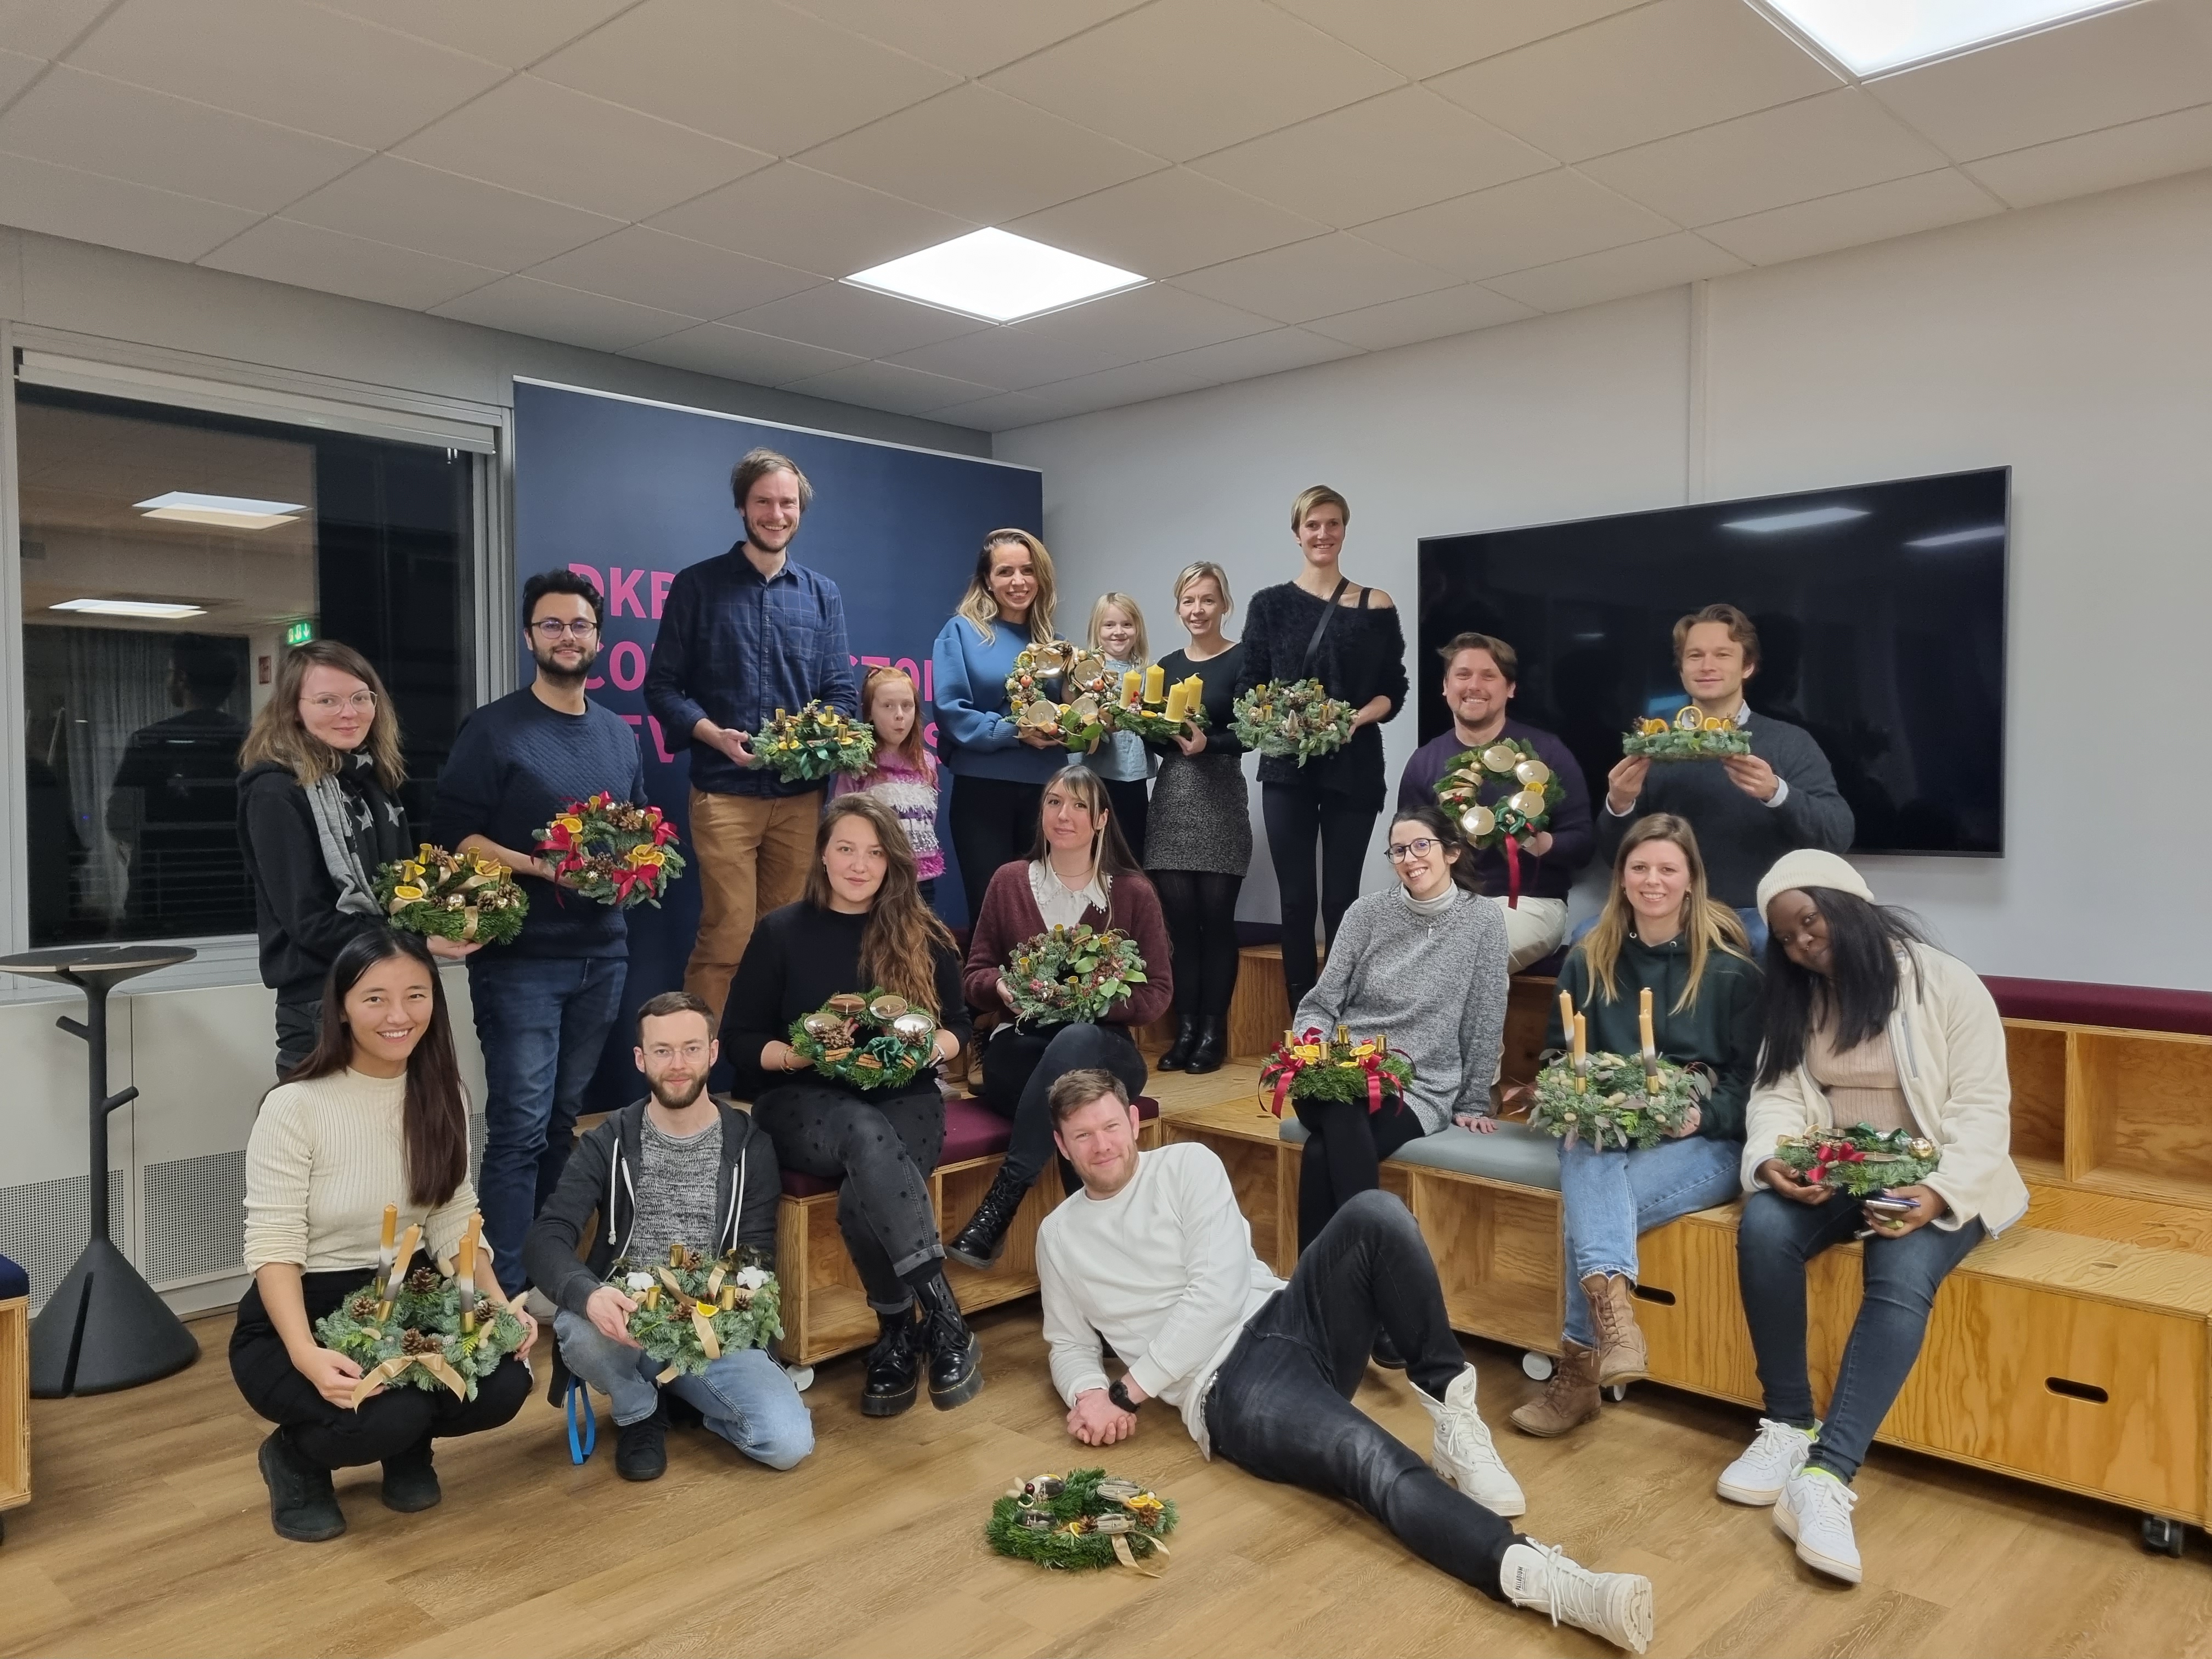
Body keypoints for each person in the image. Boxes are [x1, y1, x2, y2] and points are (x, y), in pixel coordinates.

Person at [1036, 1070, 1656, 1655]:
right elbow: (1068, 1344)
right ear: (1063, 1146)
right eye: (1084, 1135)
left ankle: (1453, 1414)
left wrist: (1126, 1393)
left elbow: (1216, 1292)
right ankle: (1551, 1582)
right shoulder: (1058, 1237)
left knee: (1375, 1213)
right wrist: (1089, 1391)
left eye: (1111, 1126)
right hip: (1231, 1388)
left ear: (1134, 1123)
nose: (1103, 1144)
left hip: (1291, 1314)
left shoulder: (1186, 1166)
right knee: (1372, 1462)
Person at [1717, 849, 2024, 1586]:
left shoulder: (1946, 985)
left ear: (1848, 905)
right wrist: (1772, 1161)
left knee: (1899, 1267)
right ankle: (1789, 1424)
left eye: (1810, 924)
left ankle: (1825, 1478)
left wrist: (1940, 1193)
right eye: (1786, 938)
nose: (1800, 946)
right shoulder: (1798, 997)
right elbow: (1777, 1096)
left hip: (1938, 1176)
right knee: (1762, 1226)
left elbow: (1983, 1111)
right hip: (1839, 1172)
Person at [233, 927, 535, 1543]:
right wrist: (304, 1354)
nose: (399, 1016)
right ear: (341, 1006)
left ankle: (408, 1444)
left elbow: (454, 1216)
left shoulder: (442, 1092)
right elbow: (273, 1243)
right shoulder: (295, 1106)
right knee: (385, 1410)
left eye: (416, 995)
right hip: (305, 1307)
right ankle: (295, 1459)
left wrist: (498, 1308)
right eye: (375, 998)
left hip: (407, 1295)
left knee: (506, 1383)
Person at [718, 795, 979, 1417]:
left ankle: (895, 1335)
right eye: (845, 849)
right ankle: (945, 1316)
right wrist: (799, 1055)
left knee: (867, 1191)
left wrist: (925, 1052)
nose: (859, 865)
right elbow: (739, 1039)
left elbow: (960, 1026)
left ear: (893, 862)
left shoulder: (923, 933)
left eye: (874, 852)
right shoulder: (781, 930)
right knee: (863, 1133)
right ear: (822, 856)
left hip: (906, 1095)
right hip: (799, 1100)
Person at [430, 568, 647, 1298]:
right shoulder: (493, 730)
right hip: (520, 962)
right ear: (530, 638)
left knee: (560, 1124)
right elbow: (454, 838)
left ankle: (554, 1277)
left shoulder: (619, 734)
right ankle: (509, 1288)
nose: (566, 637)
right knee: (520, 1128)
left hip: (602, 955)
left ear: (599, 638)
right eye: (552, 626)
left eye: (579, 625)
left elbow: (641, 832)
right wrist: (543, 868)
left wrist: (633, 868)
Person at [1510, 815, 1760, 1437]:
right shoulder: (1588, 959)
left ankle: (1577, 1373)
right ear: (1621, 877)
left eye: (1667, 869)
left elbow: (1754, 1086)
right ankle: (1613, 1327)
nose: (1653, 880)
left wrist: (1702, 1112)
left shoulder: (1731, 970)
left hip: (1705, 1143)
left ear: (1691, 880)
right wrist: (1573, 1093)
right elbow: (1553, 1054)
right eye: (1640, 867)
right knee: (1586, 1143)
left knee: (1589, 1208)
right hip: (1604, 1137)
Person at [524, 990, 811, 1481]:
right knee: (578, 1326)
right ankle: (640, 1410)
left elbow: (756, 1254)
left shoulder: (750, 1146)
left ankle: (680, 1390)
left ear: (713, 1053)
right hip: (626, 1323)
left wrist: (722, 1311)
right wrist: (590, 1296)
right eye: (662, 1051)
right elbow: (545, 1238)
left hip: (711, 1325)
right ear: (640, 1059)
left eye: (691, 1048)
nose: (677, 1065)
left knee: (787, 1444)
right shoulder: (607, 1140)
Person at [644, 448, 856, 1020]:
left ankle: (772, 1070)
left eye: (788, 503)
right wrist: (714, 735)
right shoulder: (697, 586)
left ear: (800, 512)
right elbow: (661, 688)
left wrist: (816, 741)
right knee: (729, 933)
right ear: (743, 506)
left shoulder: (822, 594)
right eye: (764, 501)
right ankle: (698, 1072)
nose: (777, 513)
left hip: (799, 797)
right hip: (723, 791)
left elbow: (841, 691)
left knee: (787, 936)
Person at [945, 765, 1172, 1270]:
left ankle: (1003, 1201)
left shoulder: (1133, 893)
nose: (1063, 815)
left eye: (1078, 806)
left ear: (1102, 820)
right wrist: (1001, 986)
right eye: (1053, 803)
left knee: (1077, 1041)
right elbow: (975, 975)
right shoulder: (1008, 882)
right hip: (1019, 1052)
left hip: (1107, 1048)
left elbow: (1157, 993)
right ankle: (1108, 1276)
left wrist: (1094, 1003)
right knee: (1081, 1098)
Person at [239, 640, 476, 1075]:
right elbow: (308, 921)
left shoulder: (372, 780)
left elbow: (404, 892)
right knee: (330, 1141)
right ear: (293, 708)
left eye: (360, 698)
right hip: (323, 1001)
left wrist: (459, 912)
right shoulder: (275, 793)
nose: (349, 712)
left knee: (401, 1136)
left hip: (398, 989)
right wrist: (421, 943)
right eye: (327, 700)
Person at [1291, 805, 1509, 1263]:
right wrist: (1314, 1052)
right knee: (1341, 1105)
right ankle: (1376, 1275)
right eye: (1398, 850)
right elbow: (1320, 1003)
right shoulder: (1367, 913)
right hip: (1338, 1072)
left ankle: (1313, 1296)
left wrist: (1472, 1100)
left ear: (1451, 851)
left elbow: (1485, 1014)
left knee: (1320, 1154)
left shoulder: (1482, 920)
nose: (1410, 859)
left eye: (1421, 846)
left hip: (1416, 1085)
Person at [1235, 486, 1408, 1015]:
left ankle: (1341, 1012)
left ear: (1344, 531)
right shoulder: (1269, 604)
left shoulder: (1376, 605)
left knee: (1342, 900)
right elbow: (1250, 685)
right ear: (1297, 533)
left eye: (1333, 524)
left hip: (1353, 766)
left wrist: (1356, 718)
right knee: (1296, 902)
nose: (1323, 534)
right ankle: (1302, 1018)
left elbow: (1393, 689)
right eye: (1313, 525)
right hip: (1287, 767)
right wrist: (1277, 723)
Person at [1598, 605, 1852, 953]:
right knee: (1588, 936)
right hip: (1671, 911)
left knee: (1768, 946)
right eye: (1695, 656)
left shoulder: (1789, 742)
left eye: (1722, 654)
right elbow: (1617, 858)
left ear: (1747, 666)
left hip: (1756, 912)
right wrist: (1620, 805)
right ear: (1682, 669)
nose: (1707, 666)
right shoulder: (1656, 745)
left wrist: (1776, 793)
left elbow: (1837, 836)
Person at [1397, 633, 1593, 973]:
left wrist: (1538, 842)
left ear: (1510, 688)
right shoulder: (1424, 762)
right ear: (1445, 686)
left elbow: (1583, 843)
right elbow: (1406, 848)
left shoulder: (1546, 753)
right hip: (1445, 906)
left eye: (1488, 676)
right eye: (1462, 675)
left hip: (1529, 906)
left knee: (1462, 956)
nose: (1474, 686)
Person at [1143, 562, 1249, 1075]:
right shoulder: (1165, 665)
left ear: (1224, 604)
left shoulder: (1245, 660)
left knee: (1216, 920)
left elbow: (1256, 733)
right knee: (1180, 926)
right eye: (1189, 601)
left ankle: (1214, 1031)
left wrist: (1213, 743)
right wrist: (1148, 727)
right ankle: (1185, 1030)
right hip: (1173, 797)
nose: (1198, 610)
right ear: (1178, 607)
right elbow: (1151, 736)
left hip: (1221, 795)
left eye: (1208, 600)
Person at [930, 528, 1068, 917]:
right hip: (984, 792)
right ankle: (989, 982)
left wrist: (1083, 723)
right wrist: (1014, 730)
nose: (1018, 581)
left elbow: (1069, 717)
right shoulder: (961, 632)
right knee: (993, 912)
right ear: (987, 581)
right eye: (1006, 572)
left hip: (1047, 793)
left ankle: (1040, 983)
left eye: (1027, 571)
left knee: (1043, 913)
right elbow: (951, 711)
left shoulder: (1057, 645)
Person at [106, 632, 251, 936]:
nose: (168, 680)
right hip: (236, 895)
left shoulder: (151, 742)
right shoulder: (255, 743)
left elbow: (119, 820)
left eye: (171, 671)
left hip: (163, 896)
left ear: (183, 679)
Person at [828, 665, 945, 910]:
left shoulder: (927, 761)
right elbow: (842, 821)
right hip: (878, 880)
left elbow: (930, 817)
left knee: (919, 944)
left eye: (907, 705)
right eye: (888, 706)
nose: (900, 715)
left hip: (921, 881)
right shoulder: (858, 761)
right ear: (869, 712)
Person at [1081, 591, 1156, 864]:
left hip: (1132, 777)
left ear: (1137, 630)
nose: (1118, 632)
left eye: (1127, 625)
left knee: (1132, 851)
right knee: (1094, 851)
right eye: (1109, 625)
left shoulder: (1149, 673)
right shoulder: (1085, 671)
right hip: (1093, 774)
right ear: (1097, 629)